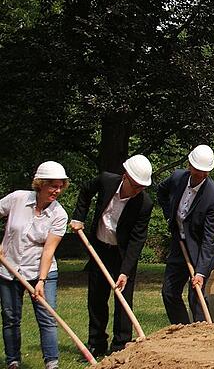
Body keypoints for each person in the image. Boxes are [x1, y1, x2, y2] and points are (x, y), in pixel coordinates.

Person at [69, 155, 154, 357]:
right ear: (125, 177)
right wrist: (78, 217)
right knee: (97, 297)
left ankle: (121, 346)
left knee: (123, 300)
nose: (137, 191)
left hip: (122, 255)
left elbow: (137, 239)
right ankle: (96, 343)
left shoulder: (144, 204)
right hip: (99, 248)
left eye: (142, 187)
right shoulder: (106, 181)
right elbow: (85, 191)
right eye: (135, 186)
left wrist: (125, 271)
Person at [0, 161, 70, 369]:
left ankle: (52, 362)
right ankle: (13, 360)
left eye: (60, 186)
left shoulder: (59, 215)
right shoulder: (17, 199)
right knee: (11, 317)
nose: (57, 191)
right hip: (8, 268)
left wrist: (41, 280)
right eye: (53, 186)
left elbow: (48, 250)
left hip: (42, 270)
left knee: (47, 317)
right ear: (40, 184)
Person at [157, 145, 214, 324]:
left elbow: (210, 237)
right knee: (169, 291)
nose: (200, 175)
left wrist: (201, 271)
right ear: (189, 165)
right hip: (179, 243)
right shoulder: (177, 178)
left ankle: (202, 335)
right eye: (197, 170)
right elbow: (161, 191)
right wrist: (169, 216)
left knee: (196, 293)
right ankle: (182, 331)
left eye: (204, 172)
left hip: (202, 248)